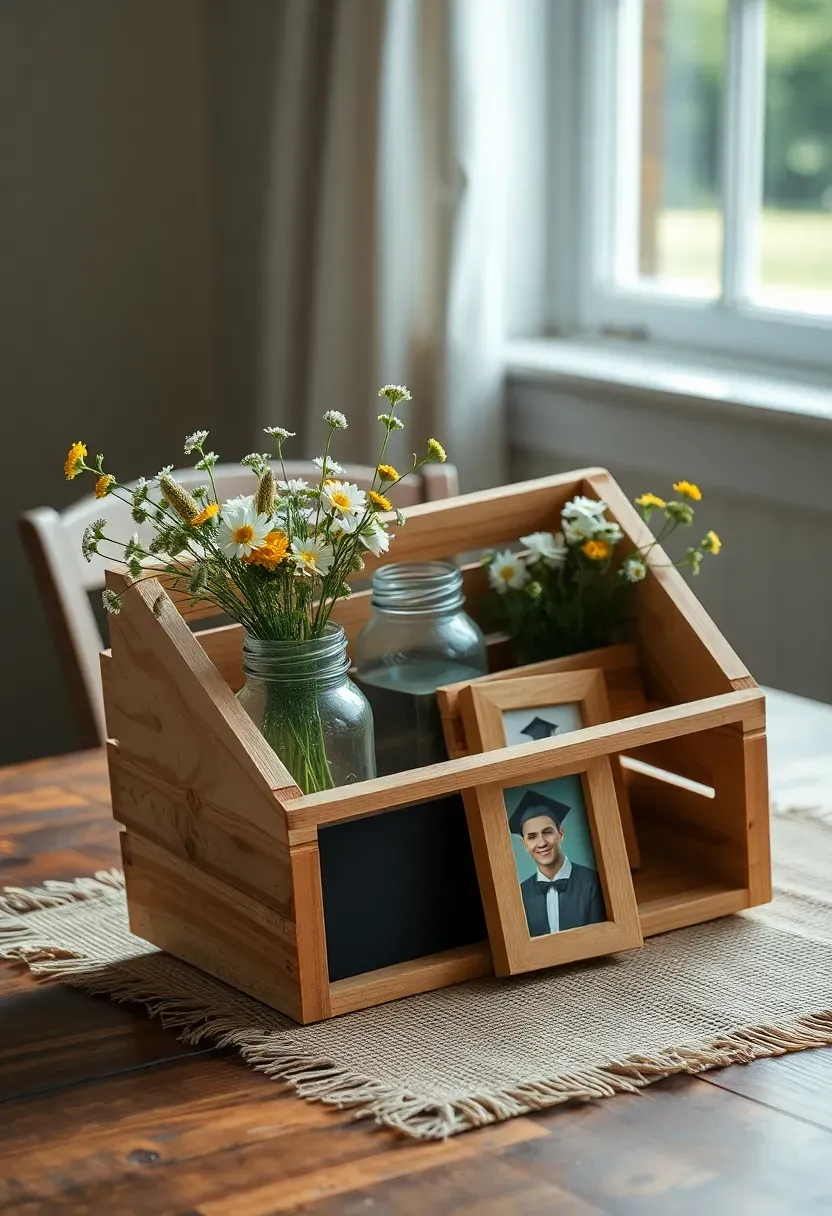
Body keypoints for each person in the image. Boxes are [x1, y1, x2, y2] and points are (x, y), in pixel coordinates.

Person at [508, 788, 605, 937]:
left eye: (547, 832)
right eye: (532, 837)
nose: (541, 843)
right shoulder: (520, 895)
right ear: (524, 844)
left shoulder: (593, 882)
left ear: (561, 834)